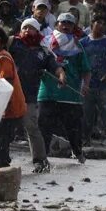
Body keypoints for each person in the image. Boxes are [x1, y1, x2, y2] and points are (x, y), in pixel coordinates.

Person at [9, 18, 65, 173]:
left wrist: (61, 76)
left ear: (37, 31)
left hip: (29, 97)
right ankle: (0, 160)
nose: (27, 31)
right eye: (25, 28)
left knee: (32, 128)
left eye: (31, 28)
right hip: (9, 95)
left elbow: (56, 67)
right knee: (4, 129)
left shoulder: (43, 51)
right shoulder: (12, 43)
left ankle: (40, 161)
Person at [38, 13, 92, 164]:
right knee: (44, 129)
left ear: (73, 27)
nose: (65, 26)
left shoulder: (77, 45)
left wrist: (85, 85)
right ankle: (41, 159)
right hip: (47, 93)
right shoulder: (45, 42)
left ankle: (78, 154)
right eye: (63, 23)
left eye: (69, 23)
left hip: (71, 96)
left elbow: (86, 70)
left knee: (74, 130)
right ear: (57, 25)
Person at [0, 27, 27, 168]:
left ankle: (2, 170)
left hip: (10, 108)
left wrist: (0, 110)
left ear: (1, 44)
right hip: (2, 107)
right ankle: (2, 167)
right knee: (0, 141)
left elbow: (5, 86)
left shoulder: (2, 58)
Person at [80, 16, 106, 151]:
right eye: (99, 23)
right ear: (92, 24)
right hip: (87, 83)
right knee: (87, 113)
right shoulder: (83, 42)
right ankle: (86, 140)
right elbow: (79, 63)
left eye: (104, 24)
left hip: (104, 84)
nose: (101, 26)